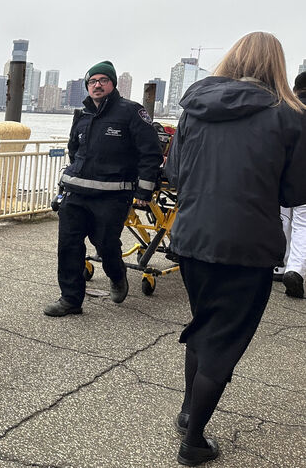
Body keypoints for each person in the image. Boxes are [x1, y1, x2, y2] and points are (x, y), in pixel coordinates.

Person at [165, 32, 306, 466]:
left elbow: (174, 174)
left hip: (191, 238)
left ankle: (190, 411)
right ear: (277, 66)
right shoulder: (290, 116)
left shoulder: (194, 109)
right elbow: (295, 192)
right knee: (224, 340)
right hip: (247, 245)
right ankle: (193, 442)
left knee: (205, 324)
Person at [44, 61, 162, 317]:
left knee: (106, 244)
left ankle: (117, 275)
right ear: (87, 86)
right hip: (76, 193)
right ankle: (70, 300)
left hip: (112, 195)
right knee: (69, 246)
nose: (97, 85)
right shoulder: (82, 114)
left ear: (112, 84)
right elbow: (74, 150)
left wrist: (143, 192)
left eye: (102, 80)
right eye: (92, 81)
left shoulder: (131, 112)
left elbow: (150, 153)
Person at [278, 70, 306, 299]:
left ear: (296, 89)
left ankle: (278, 264)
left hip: (285, 176)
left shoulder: (287, 110)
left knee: (283, 220)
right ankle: (294, 269)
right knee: (303, 225)